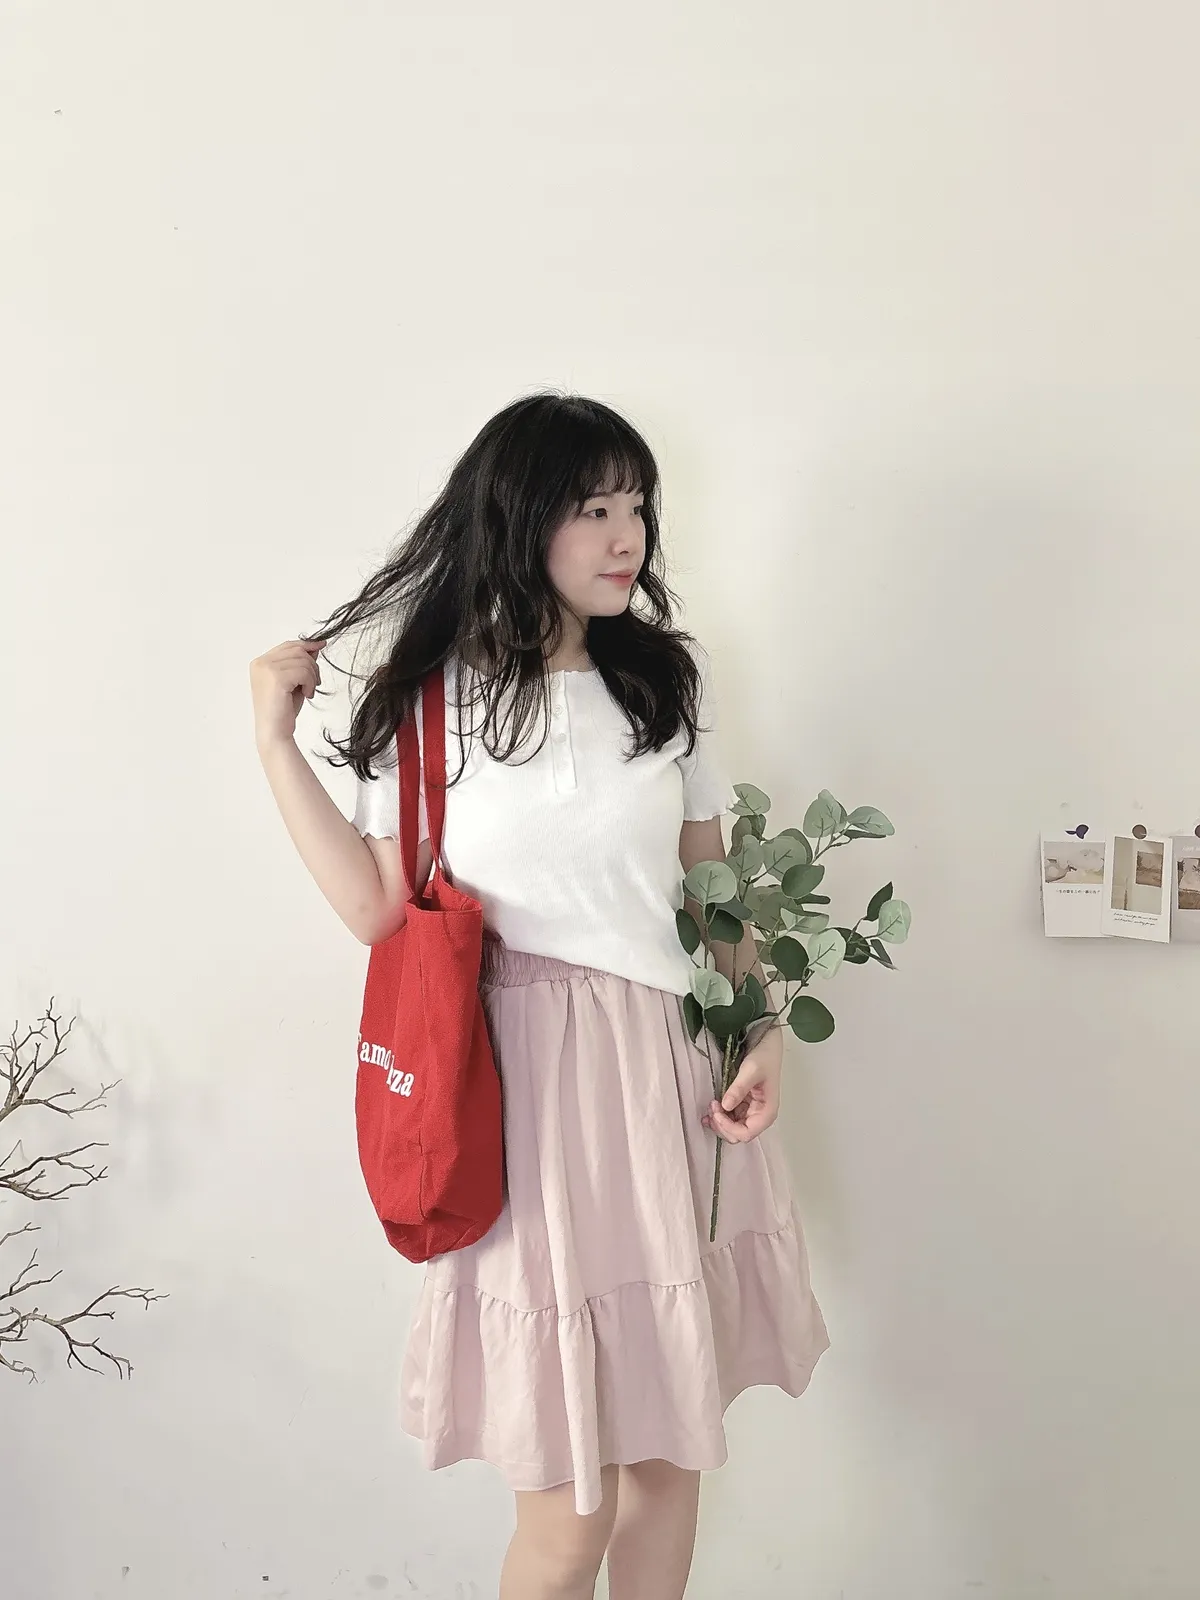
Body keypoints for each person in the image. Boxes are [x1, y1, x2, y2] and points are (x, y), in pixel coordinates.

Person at [249, 392, 829, 1600]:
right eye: (594, 507)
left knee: (668, 1464)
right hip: (523, 1092)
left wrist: (762, 1025)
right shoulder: (430, 702)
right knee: (571, 1513)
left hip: (669, 1073)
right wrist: (274, 747)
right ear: (520, 520)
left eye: (637, 507)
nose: (627, 536)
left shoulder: (664, 682)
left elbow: (710, 890)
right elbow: (375, 908)